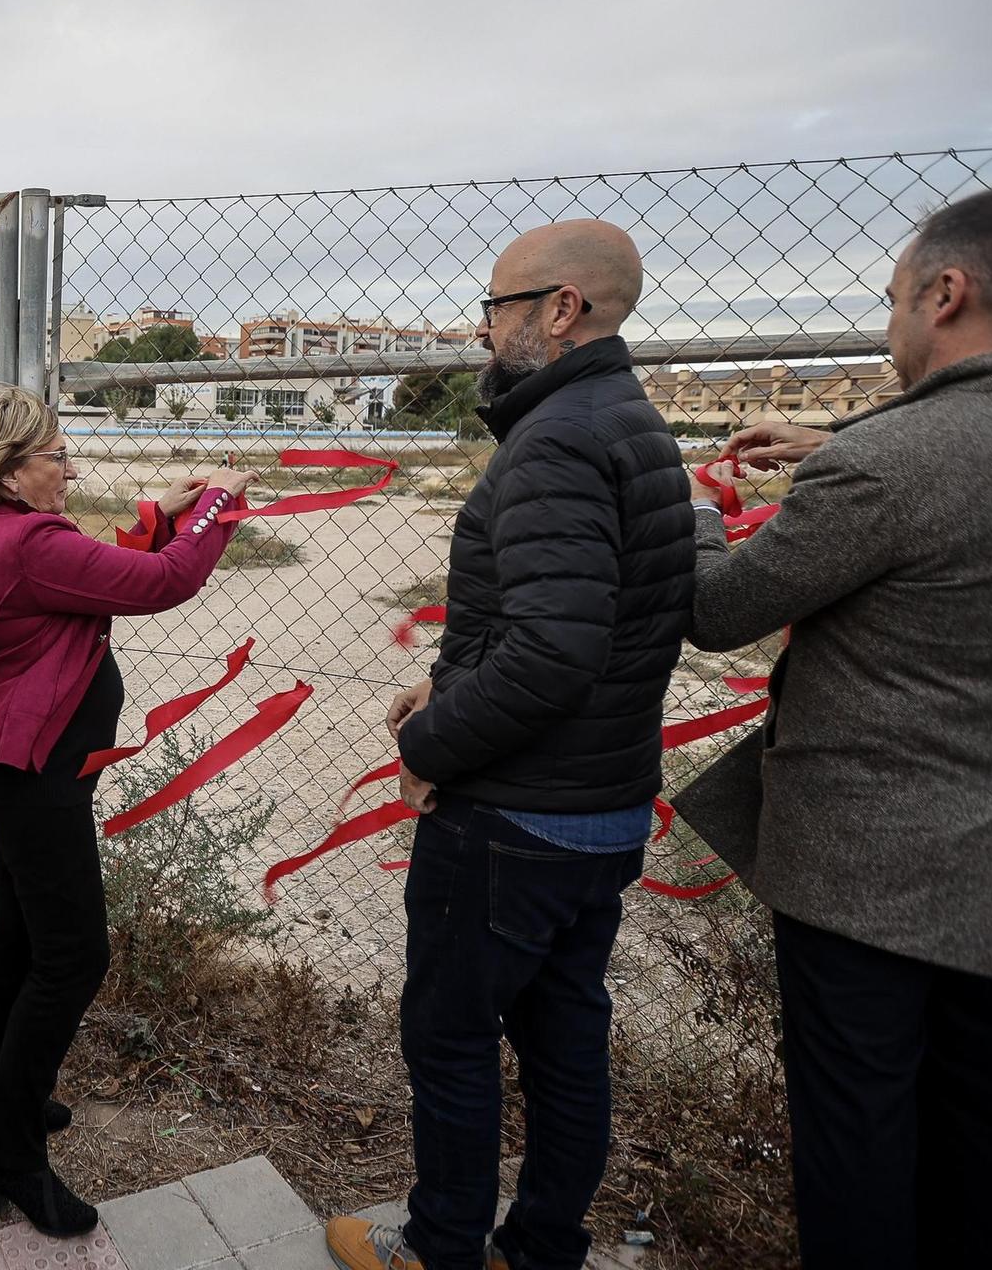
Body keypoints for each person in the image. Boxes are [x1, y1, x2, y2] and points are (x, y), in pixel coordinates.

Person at [678, 184, 992, 1267]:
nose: (890, 324)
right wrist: (832, 437)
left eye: (893, 299)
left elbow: (718, 614)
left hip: (862, 868)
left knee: (857, 1140)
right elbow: (983, 454)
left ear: (947, 293)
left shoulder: (885, 465)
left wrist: (697, 515)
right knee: (975, 1122)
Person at [326, 221, 695, 1270]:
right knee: (563, 1042)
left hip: (515, 820)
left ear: (560, 308)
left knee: (450, 1040)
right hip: (599, 805)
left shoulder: (557, 440)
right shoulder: (626, 419)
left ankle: (440, 1246)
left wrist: (434, 744)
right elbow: (587, 622)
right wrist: (443, 678)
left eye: (494, 307)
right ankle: (539, 1248)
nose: (478, 327)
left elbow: (550, 653)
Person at [0, 383, 254, 1237]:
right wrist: (217, 513)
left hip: (21, 765)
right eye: (56, 455)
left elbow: (99, 575)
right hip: (35, 775)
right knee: (75, 957)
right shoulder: (30, 540)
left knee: (19, 937)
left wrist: (161, 508)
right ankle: (10, 1157)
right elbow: (159, 583)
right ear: (11, 471)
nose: (70, 468)